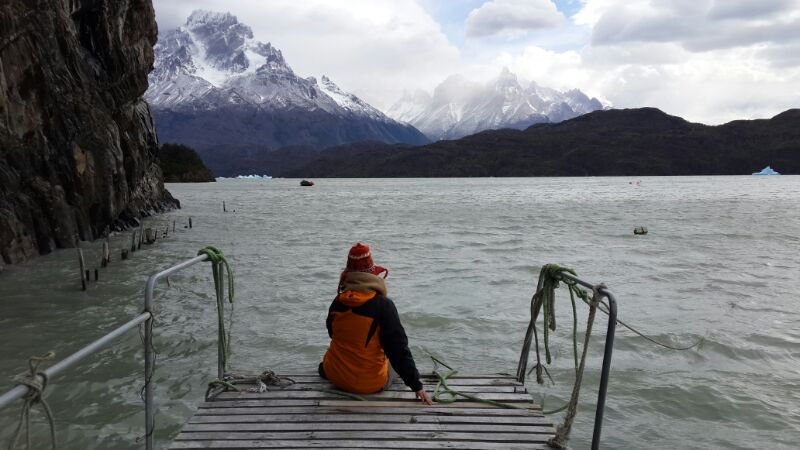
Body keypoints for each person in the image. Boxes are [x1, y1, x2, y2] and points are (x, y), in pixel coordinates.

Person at [319, 243, 432, 405]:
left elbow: (332, 334)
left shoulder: (337, 302)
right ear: (373, 275)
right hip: (367, 384)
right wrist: (417, 386)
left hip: (336, 376)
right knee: (393, 363)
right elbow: (398, 350)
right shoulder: (383, 305)